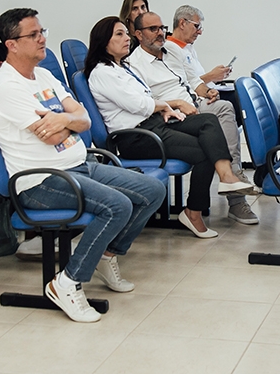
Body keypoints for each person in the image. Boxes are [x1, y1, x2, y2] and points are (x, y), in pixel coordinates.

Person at [0, 8, 166, 323]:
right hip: (40, 182)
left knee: (152, 189)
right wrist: (69, 121)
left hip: (78, 164)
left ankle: (105, 254)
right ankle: (67, 283)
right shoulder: (6, 87)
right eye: (33, 35)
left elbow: (84, 119)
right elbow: (54, 134)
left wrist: (63, 120)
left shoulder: (43, 75)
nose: (42, 39)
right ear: (11, 44)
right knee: (117, 206)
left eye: (42, 32)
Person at [84, 16, 256, 238]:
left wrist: (164, 109)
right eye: (119, 34)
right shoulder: (102, 73)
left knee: (208, 121)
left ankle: (226, 177)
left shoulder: (121, 67)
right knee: (204, 151)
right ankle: (194, 212)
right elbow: (138, 104)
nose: (126, 38)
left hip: (152, 124)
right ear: (103, 41)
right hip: (135, 138)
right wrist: (169, 105)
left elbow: (146, 96)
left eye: (126, 33)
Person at [130, 11, 260, 225]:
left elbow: (192, 81)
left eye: (162, 28)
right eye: (153, 29)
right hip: (173, 114)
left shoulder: (172, 50)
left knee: (225, 107)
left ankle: (232, 178)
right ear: (138, 34)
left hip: (195, 103)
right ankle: (234, 190)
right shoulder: (134, 64)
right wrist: (177, 104)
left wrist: (207, 92)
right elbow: (145, 102)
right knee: (212, 126)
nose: (160, 33)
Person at [165, 5, 232, 85]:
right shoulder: (169, 49)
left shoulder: (188, 47)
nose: (200, 32)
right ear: (182, 24)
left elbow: (197, 79)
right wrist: (211, 76)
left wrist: (216, 77)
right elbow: (181, 86)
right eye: (197, 26)